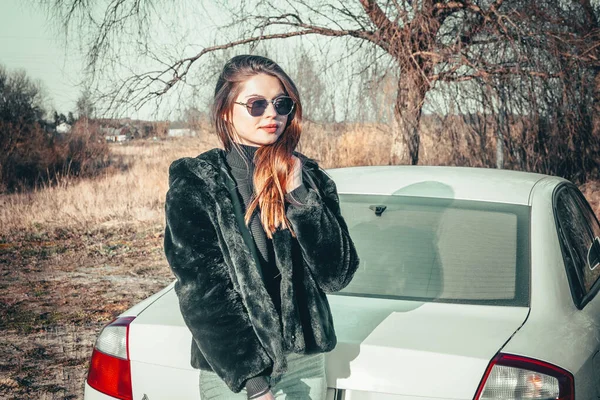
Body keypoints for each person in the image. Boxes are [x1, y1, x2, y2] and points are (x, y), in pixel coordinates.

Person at [163, 54, 360, 400]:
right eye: (256, 104)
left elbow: (336, 274)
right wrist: (255, 385)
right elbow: (202, 293)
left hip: (304, 360)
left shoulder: (309, 178)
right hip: (238, 374)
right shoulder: (196, 185)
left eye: (281, 103)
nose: (272, 114)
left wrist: (299, 195)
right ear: (226, 110)